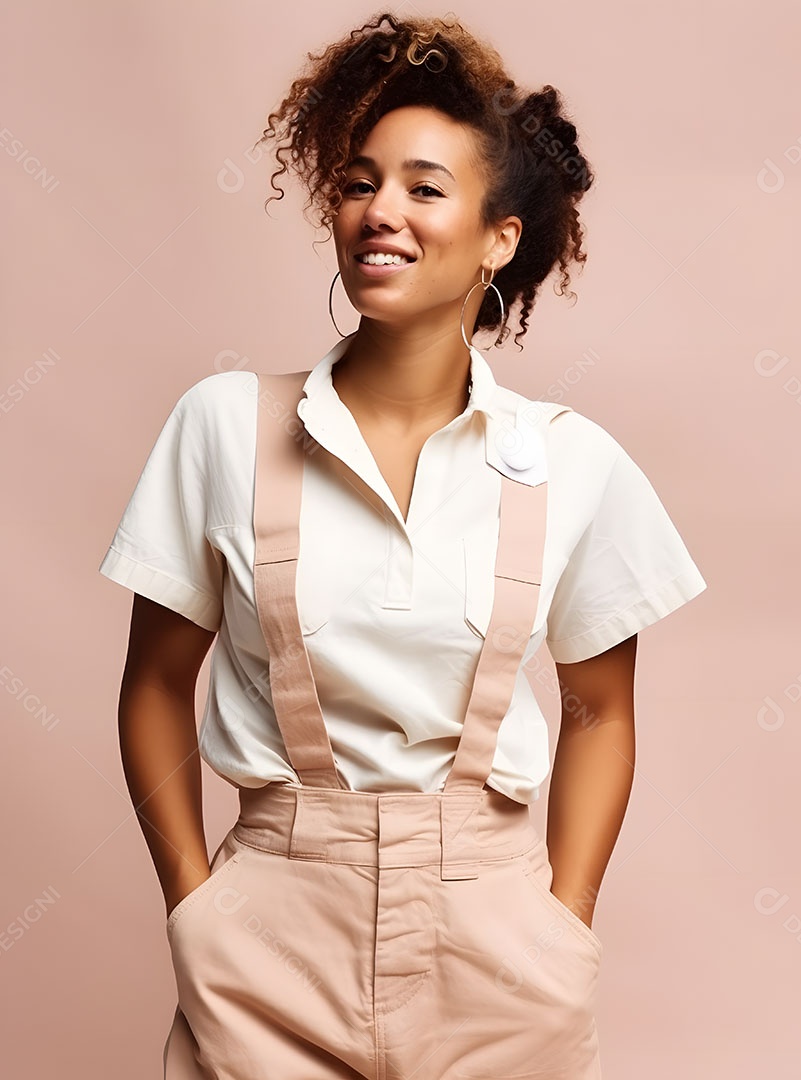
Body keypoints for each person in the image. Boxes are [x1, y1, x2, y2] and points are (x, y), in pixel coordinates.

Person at [98, 11, 707, 1079]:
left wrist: (565, 923)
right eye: (357, 181)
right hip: (268, 929)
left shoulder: (575, 460)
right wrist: (193, 902)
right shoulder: (221, 425)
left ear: (498, 237)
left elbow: (601, 710)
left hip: (500, 944)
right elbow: (155, 686)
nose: (380, 210)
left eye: (425, 188)